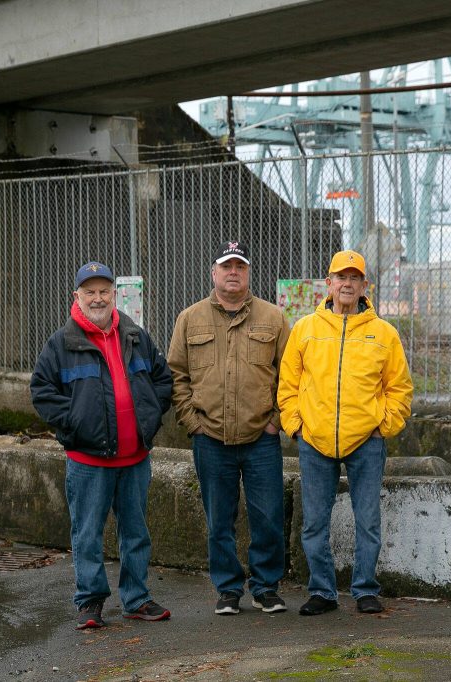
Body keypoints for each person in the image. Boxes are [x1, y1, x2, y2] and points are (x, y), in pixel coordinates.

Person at [31, 261, 174, 630]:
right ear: (76, 296)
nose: (98, 298)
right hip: (88, 459)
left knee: (136, 532)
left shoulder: (135, 335)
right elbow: (42, 392)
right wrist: (75, 424)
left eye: (104, 291)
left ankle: (137, 598)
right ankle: (90, 602)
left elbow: (163, 379)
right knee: (87, 533)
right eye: (90, 292)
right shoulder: (61, 343)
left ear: (114, 294)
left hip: (134, 458)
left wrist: (150, 416)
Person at [277, 249, 413, 616]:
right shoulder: (305, 329)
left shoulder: (384, 333)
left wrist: (383, 427)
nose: (347, 283)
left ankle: (365, 589)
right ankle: (322, 591)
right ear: (329, 283)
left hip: (366, 441)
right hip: (315, 441)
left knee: (367, 520)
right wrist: (297, 426)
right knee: (314, 522)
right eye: (341, 277)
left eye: (355, 278)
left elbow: (399, 388)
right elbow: (287, 382)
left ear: (365, 285)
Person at [168, 240, 291, 615]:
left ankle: (266, 587)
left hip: (261, 440)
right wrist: (194, 424)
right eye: (226, 266)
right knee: (218, 520)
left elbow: (291, 377)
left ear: (249, 273)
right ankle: (228, 589)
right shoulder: (190, 319)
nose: (233, 272)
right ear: (214, 273)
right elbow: (177, 376)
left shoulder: (274, 318)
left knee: (268, 517)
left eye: (239, 266)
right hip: (211, 439)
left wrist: (275, 423)